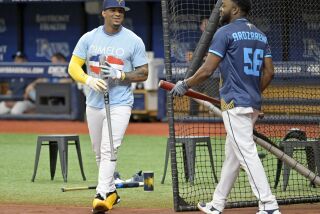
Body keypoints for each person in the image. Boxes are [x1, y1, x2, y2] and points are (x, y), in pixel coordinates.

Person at [170, 0, 280, 213]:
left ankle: (268, 205)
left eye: (225, 5)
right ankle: (217, 203)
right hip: (251, 102)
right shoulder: (260, 34)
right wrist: (254, 94)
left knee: (246, 153)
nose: (221, 9)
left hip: (234, 102)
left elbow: (207, 70)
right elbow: (270, 72)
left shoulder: (224, 32)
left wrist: (184, 84)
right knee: (233, 155)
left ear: (236, 9)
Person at [68, 0, 148, 213]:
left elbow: (144, 72)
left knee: (109, 148)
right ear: (103, 12)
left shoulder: (133, 40)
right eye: (113, 9)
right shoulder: (89, 37)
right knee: (98, 151)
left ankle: (101, 194)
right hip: (94, 102)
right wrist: (88, 80)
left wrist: (121, 74)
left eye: (121, 10)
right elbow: (73, 66)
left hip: (120, 103)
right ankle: (112, 191)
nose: (117, 13)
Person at [188, 17, 220, 116]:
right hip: (198, 73)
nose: (206, 26)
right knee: (194, 96)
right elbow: (189, 56)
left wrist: (203, 57)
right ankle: (193, 116)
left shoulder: (217, 39)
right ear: (201, 27)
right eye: (204, 24)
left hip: (212, 74)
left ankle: (218, 118)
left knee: (214, 99)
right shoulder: (196, 41)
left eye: (208, 24)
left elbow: (216, 58)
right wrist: (204, 57)